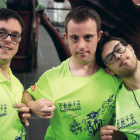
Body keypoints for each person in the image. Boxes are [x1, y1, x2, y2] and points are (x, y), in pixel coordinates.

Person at [22, 6, 122, 139]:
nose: (81, 45)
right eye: (75, 38)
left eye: (88, 37)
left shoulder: (114, 76)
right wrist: (31, 104)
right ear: (66, 37)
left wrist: (117, 135)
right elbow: (26, 94)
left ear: (99, 36)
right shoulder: (53, 77)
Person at [97, 32, 140, 140]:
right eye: (110, 58)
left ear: (130, 48)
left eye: (119, 49)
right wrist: (111, 136)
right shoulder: (115, 105)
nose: (117, 56)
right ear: (109, 71)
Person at [0, 8, 31, 139]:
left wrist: (20, 118)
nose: (8, 39)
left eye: (15, 35)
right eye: (2, 33)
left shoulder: (17, 85)